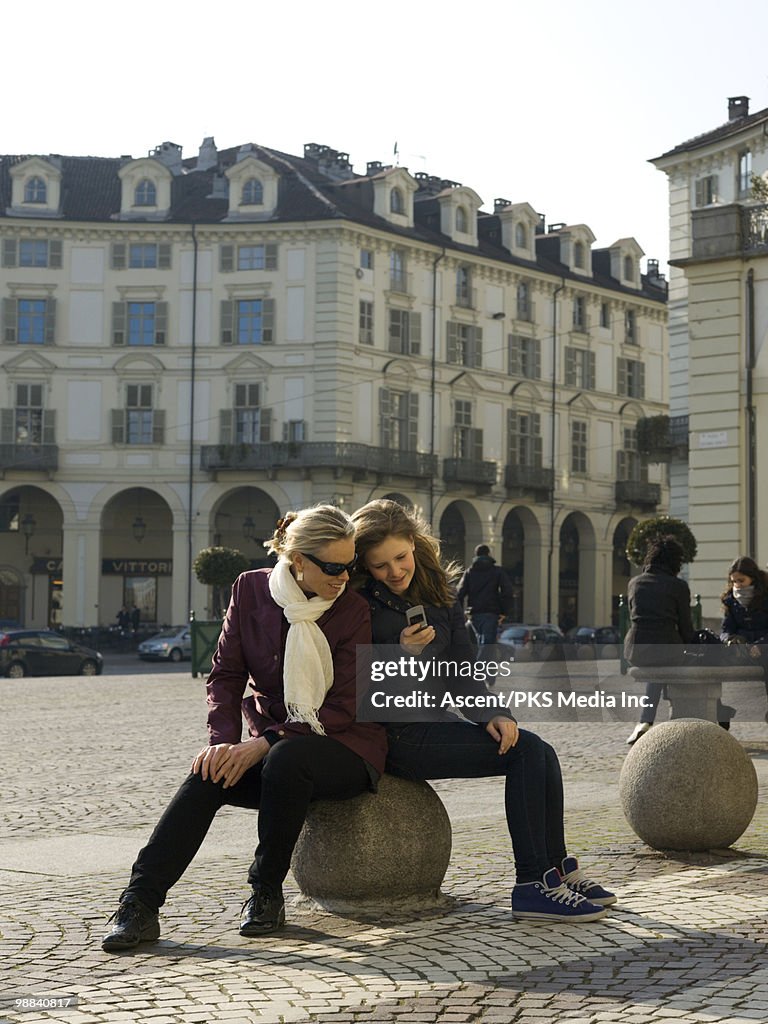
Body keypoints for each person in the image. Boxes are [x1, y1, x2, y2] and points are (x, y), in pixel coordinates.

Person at [101, 505, 386, 951]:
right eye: (333, 567)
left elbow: (344, 707)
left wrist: (264, 742)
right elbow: (226, 675)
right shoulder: (251, 588)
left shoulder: (351, 609)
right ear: (299, 561)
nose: (343, 577)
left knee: (287, 758)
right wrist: (222, 744)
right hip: (275, 749)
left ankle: (266, 893)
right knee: (208, 772)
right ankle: (139, 904)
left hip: (344, 747)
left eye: (349, 566)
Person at [351, 498, 614, 923]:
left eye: (401, 557)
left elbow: (464, 670)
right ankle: (532, 885)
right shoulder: (357, 600)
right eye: (380, 565)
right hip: (392, 732)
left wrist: (495, 712)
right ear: (365, 564)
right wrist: (398, 651)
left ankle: (557, 871)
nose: (395, 571)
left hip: (434, 720)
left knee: (538, 749)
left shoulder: (440, 592)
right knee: (527, 754)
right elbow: (351, 680)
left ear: (415, 545)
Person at [624, 535, 697, 744]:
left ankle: (645, 720)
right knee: (687, 661)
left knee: (656, 670)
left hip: (635, 650)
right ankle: (716, 714)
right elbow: (686, 628)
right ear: (676, 561)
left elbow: (633, 616)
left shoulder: (634, 583)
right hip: (667, 649)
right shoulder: (678, 586)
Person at [720, 555, 768, 719]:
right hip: (741, 648)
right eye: (734, 581)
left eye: (741, 580)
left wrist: (760, 645)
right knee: (710, 658)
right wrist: (729, 640)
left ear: (752, 579)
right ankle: (719, 710)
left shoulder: (765, 597)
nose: (737, 585)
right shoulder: (731, 600)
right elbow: (726, 629)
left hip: (763, 647)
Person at [457, 544, 514, 647]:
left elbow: (459, 594)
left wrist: (461, 614)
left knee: (478, 644)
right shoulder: (497, 571)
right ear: (489, 554)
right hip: (491, 613)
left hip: (474, 614)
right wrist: (504, 611)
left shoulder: (469, 572)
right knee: (487, 646)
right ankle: (480, 663)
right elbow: (508, 591)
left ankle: (477, 662)